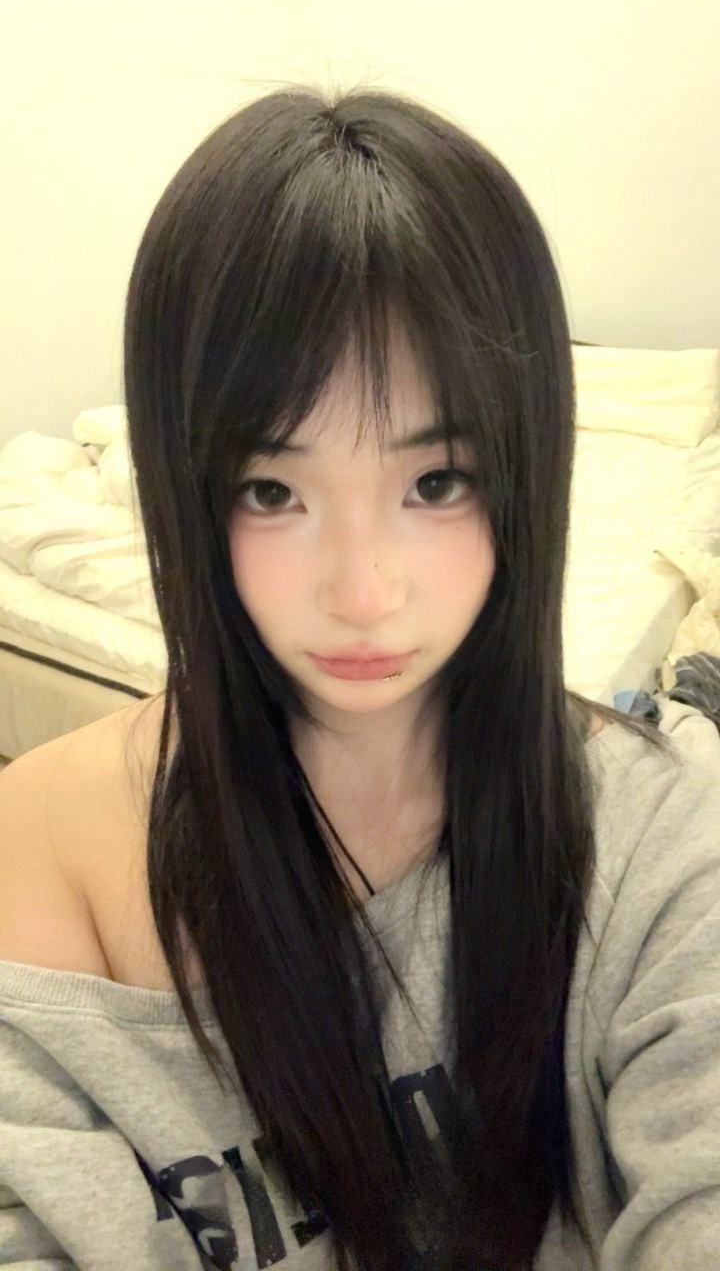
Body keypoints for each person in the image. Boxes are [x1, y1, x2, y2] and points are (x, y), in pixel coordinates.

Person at [0, 85, 719, 1271]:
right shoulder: (35, 860)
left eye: (435, 482)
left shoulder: (658, 829)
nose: (365, 590)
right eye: (272, 490)